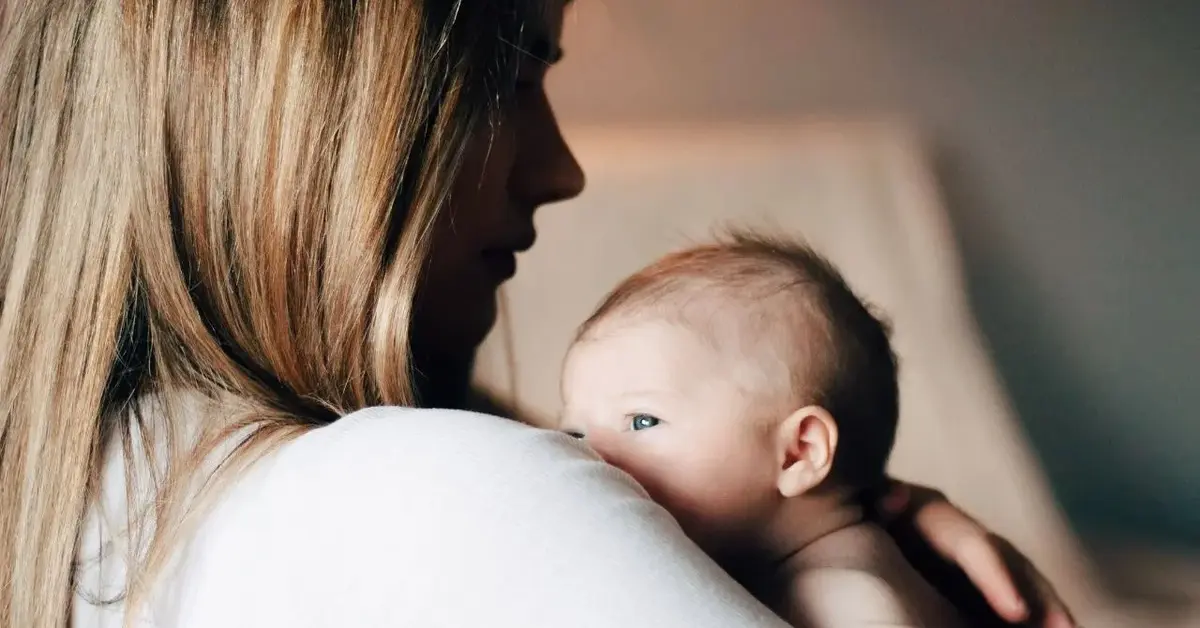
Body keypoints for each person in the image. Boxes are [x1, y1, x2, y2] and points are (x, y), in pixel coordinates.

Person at [0, 1, 1074, 627]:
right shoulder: (431, 488)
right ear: (309, 108)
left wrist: (847, 510)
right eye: (513, 72)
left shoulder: (92, 493)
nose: (560, 169)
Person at [560, 233, 967, 627]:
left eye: (643, 420)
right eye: (575, 434)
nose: (592, 456)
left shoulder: (846, 596)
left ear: (798, 453)